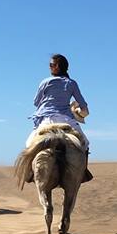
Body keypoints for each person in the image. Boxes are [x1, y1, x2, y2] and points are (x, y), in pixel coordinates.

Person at [28, 53, 92, 182]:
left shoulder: (45, 82)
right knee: (85, 143)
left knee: (29, 144)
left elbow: (35, 102)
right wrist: (78, 110)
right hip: (66, 120)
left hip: (46, 120)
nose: (50, 67)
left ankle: (30, 172)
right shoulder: (71, 83)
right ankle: (83, 172)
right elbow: (83, 105)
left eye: (51, 65)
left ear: (57, 67)